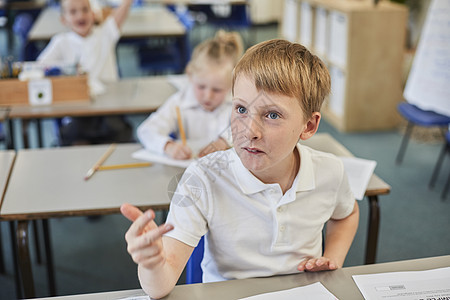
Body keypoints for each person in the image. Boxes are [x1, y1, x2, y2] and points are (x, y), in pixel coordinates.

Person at [121, 39, 360, 299]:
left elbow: (347, 213)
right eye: (241, 109)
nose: (248, 132)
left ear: (309, 126)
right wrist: (152, 263)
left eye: (272, 115)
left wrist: (333, 260)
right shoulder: (202, 178)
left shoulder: (330, 172)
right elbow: (159, 288)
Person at [37, 0, 134, 145]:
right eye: (73, 12)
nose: (80, 15)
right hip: (77, 111)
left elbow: (122, 11)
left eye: (85, 10)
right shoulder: (61, 42)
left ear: (93, 14)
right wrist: (64, 73)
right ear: (63, 19)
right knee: (76, 142)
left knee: (118, 137)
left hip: (108, 109)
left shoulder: (105, 34)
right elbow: (39, 68)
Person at [136, 30, 243, 159]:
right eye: (201, 87)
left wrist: (225, 141)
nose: (208, 96)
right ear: (190, 76)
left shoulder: (238, 101)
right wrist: (168, 146)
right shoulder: (179, 101)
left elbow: (249, 127)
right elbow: (146, 131)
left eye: (217, 90)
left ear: (232, 83)